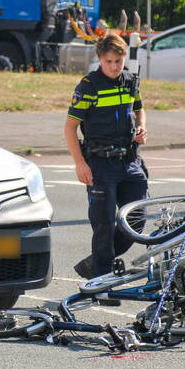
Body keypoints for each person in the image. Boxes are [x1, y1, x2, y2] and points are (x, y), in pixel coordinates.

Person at [64, 33, 148, 282]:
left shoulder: (131, 81)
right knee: (103, 228)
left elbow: (139, 109)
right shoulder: (89, 86)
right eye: (109, 61)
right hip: (100, 164)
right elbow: (70, 128)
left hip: (130, 162)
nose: (114, 66)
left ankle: (98, 261)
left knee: (136, 222)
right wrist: (80, 163)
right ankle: (102, 285)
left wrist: (142, 127)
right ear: (100, 59)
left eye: (119, 61)